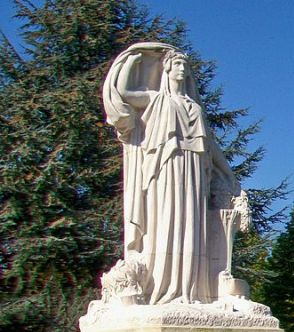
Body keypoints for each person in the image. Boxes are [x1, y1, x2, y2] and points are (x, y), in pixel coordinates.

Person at [103, 43, 241, 305]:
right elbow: (123, 92)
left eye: (185, 66)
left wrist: (229, 174)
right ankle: (161, 289)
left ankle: (192, 290)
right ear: (166, 69)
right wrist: (133, 57)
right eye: (176, 64)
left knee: (192, 226)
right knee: (165, 223)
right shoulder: (156, 99)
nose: (181, 69)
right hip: (165, 170)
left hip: (194, 172)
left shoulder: (195, 107)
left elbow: (210, 145)